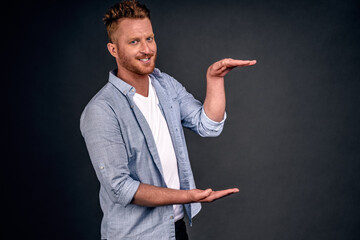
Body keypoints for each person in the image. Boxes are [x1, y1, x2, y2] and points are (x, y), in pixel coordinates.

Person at [80, 0, 256, 239]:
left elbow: (208, 126)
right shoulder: (102, 110)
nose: (146, 49)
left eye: (149, 39)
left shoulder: (166, 85)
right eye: (134, 42)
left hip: (175, 229)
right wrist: (188, 196)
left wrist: (214, 80)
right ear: (113, 49)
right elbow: (120, 188)